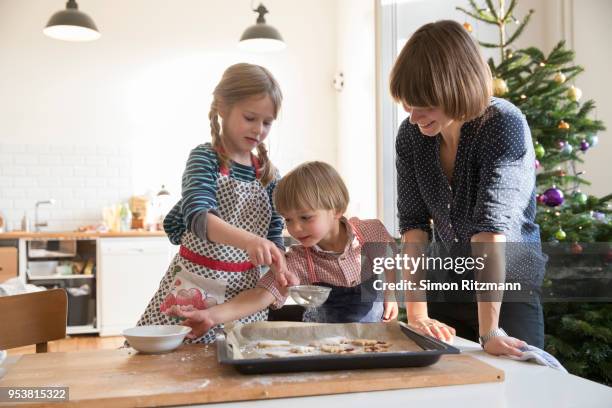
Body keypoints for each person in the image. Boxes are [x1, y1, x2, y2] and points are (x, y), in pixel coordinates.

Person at [389, 20, 546, 355]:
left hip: (508, 292)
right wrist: (418, 315)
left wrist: (490, 333)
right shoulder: (410, 136)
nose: (414, 116)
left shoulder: (502, 124)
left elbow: (490, 231)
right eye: (407, 103)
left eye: (425, 103)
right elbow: (413, 229)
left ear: (456, 89)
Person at [134, 63, 287, 343]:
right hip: (193, 289)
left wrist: (280, 265)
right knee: (177, 367)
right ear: (223, 109)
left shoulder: (270, 175)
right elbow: (199, 217)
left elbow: (275, 234)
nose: (259, 129)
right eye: (250, 117)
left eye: (267, 122)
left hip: (243, 300)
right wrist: (250, 241)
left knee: (234, 369)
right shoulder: (205, 158)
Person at [171, 161, 399, 339]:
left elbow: (391, 259)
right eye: (288, 219)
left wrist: (390, 294)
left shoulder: (369, 233)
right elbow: (260, 295)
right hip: (323, 346)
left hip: (371, 341)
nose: (295, 228)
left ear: (336, 209)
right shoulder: (297, 261)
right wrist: (211, 316)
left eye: (305, 217)